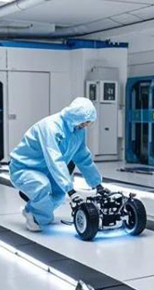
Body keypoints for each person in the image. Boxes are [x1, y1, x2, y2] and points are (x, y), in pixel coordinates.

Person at [9, 97, 106, 231]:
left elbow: (83, 156)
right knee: (42, 186)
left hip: (47, 170)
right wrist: (70, 190)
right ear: (75, 116)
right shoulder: (50, 126)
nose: (86, 125)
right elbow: (54, 159)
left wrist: (97, 184)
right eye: (85, 122)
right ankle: (33, 215)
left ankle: (34, 211)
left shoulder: (78, 130)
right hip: (23, 168)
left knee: (59, 193)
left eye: (89, 123)